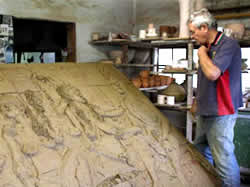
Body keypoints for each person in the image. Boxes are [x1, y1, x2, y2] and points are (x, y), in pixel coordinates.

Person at [188, 8, 242, 187]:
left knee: (223, 159)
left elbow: (212, 74)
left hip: (222, 111)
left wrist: (201, 53)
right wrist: (196, 101)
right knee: (201, 152)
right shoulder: (208, 47)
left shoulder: (228, 45)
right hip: (206, 109)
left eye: (193, 32)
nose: (192, 36)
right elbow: (203, 78)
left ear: (204, 27)